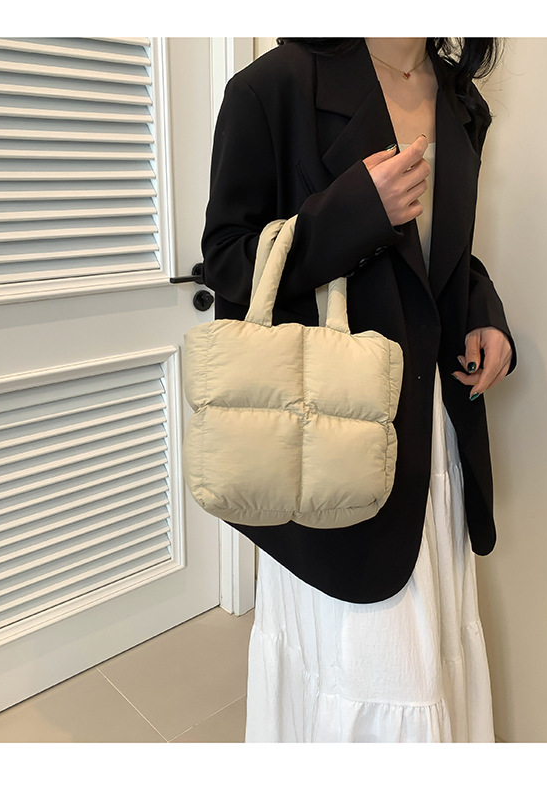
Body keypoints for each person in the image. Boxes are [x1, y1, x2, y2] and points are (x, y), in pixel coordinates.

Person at [201, 37, 517, 743]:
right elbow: (226, 262)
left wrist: (484, 313)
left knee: (427, 658)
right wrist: (352, 214)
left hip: (428, 428)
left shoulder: (459, 101)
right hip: (329, 430)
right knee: (370, 671)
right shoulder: (273, 86)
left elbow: (444, 258)